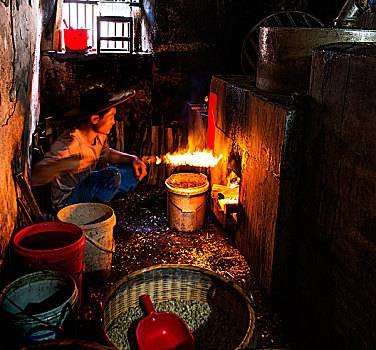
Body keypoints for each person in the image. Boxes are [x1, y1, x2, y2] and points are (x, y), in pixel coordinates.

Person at [31, 86, 147, 212]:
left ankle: (100, 201)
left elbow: (107, 154)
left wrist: (133, 158)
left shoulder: (99, 136)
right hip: (67, 201)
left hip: (85, 185)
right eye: (111, 117)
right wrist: (69, 163)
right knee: (112, 175)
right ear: (95, 119)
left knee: (132, 170)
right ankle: (97, 214)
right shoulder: (69, 144)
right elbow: (36, 176)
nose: (113, 122)